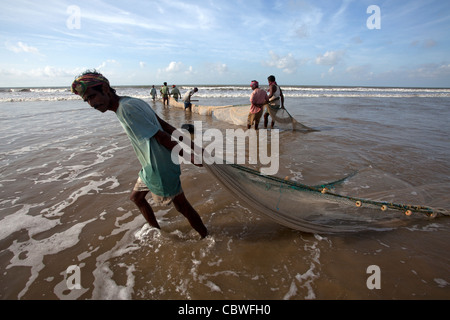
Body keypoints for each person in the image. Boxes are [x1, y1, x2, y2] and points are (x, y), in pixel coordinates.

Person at [71, 71, 208, 238]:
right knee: (136, 198)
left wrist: (190, 156)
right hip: (149, 166)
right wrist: (193, 147)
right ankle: (157, 232)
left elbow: (161, 135)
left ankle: (206, 236)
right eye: (87, 100)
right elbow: (164, 124)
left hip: (159, 167)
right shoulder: (132, 102)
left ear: (105, 88)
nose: (91, 103)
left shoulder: (126, 109)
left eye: (92, 96)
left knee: (182, 206)